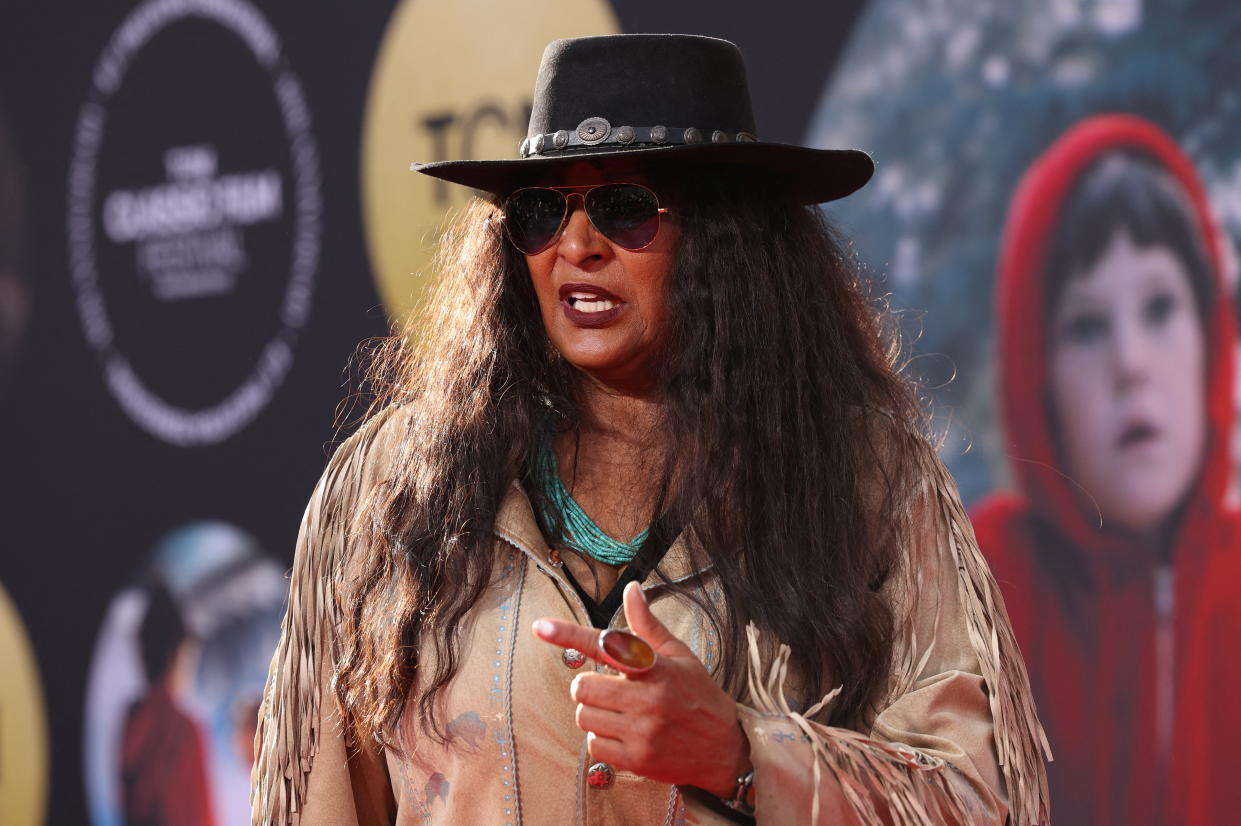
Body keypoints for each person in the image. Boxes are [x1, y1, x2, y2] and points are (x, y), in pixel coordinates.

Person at [252, 34, 1050, 825]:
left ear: (725, 237)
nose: (574, 246)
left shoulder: (860, 472)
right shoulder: (394, 483)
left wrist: (742, 757)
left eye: (623, 208)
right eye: (539, 211)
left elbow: (978, 796)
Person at [971, 114, 1240, 825]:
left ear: (1211, 337)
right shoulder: (976, 584)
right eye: (1087, 326)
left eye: (1159, 308)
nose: (1130, 364)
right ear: (1038, 376)